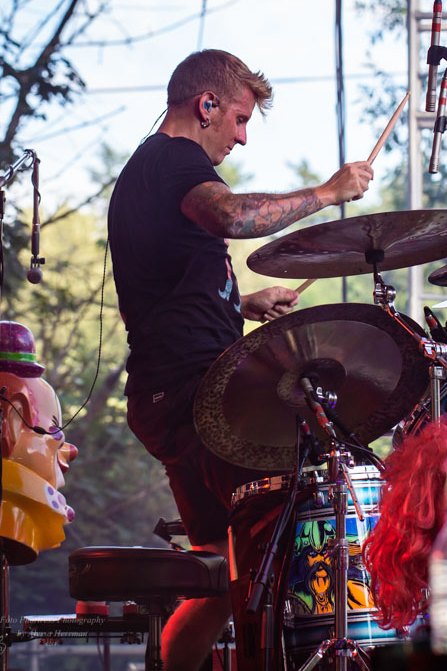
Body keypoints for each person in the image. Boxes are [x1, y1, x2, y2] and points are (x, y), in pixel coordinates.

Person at [107, 49, 373, 671]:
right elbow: (231, 215)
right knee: (278, 541)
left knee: (221, 578)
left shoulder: (150, 172)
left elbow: (165, 289)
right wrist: (329, 192)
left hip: (166, 395)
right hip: (198, 395)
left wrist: (244, 303)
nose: (242, 137)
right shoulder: (176, 161)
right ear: (206, 106)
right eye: (239, 119)